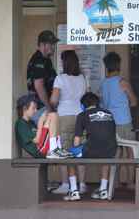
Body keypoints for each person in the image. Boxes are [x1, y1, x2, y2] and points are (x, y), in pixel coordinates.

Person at [63, 92, 117, 201]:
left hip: (91, 150)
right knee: (106, 157)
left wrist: (75, 151)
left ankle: (73, 191)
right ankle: (103, 190)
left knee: (69, 157)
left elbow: (77, 141)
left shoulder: (82, 115)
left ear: (83, 105)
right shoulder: (109, 113)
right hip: (111, 150)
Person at [50, 50, 87, 195]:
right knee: (80, 151)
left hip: (64, 116)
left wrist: (52, 105)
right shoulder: (82, 78)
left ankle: (66, 184)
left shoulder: (60, 78)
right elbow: (85, 97)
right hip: (80, 116)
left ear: (64, 62)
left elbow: (54, 100)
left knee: (64, 151)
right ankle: (82, 184)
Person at [100, 52, 137, 188]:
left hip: (110, 123)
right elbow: (134, 102)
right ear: (118, 65)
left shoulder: (103, 84)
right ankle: (130, 182)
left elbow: (102, 104)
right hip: (124, 121)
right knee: (130, 152)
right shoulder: (123, 82)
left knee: (114, 153)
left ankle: (113, 183)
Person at [15, 93, 70, 159]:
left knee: (54, 115)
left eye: (36, 108)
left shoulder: (31, 122)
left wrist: (45, 122)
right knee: (52, 115)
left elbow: (41, 135)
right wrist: (40, 123)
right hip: (38, 151)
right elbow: (37, 140)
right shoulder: (21, 124)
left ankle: (58, 148)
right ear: (24, 109)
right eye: (33, 108)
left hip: (42, 146)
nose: (36, 111)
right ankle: (53, 150)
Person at [26, 30, 59, 125]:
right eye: (51, 44)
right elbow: (39, 86)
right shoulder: (39, 60)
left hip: (44, 107)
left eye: (54, 44)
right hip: (41, 107)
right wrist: (49, 108)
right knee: (45, 138)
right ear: (42, 44)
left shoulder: (46, 60)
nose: (53, 47)